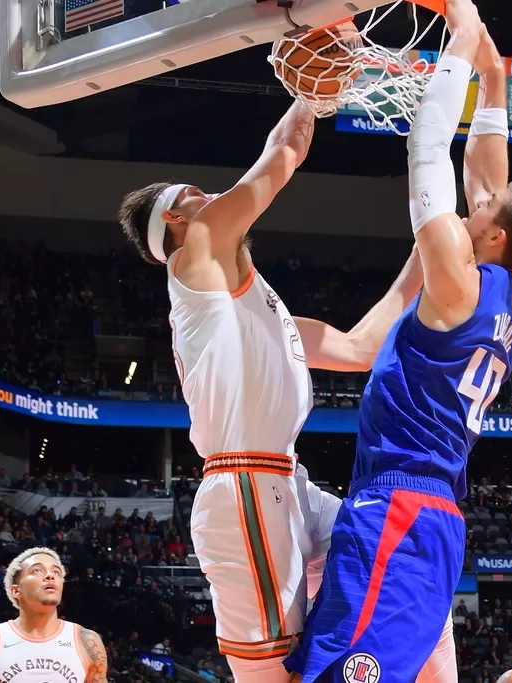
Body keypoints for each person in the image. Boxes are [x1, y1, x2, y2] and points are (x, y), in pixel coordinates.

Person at [284, 2, 512, 680]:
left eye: (483, 212)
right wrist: (493, 82)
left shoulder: (456, 280)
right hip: (423, 510)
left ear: (496, 235)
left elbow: (429, 146)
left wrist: (460, 49)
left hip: (400, 510)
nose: (476, 206)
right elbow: (489, 179)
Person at [117, 101, 425, 682]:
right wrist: (309, 91)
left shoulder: (262, 306)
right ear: (174, 224)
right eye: (194, 194)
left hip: (288, 480)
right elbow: (283, 154)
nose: (211, 196)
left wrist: (426, 253)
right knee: (269, 672)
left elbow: (361, 348)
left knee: (390, 555)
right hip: (244, 487)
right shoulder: (195, 257)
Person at [0, 547, 107, 683]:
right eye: (37, 570)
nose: (50, 576)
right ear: (16, 590)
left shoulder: (87, 641)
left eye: (56, 572)